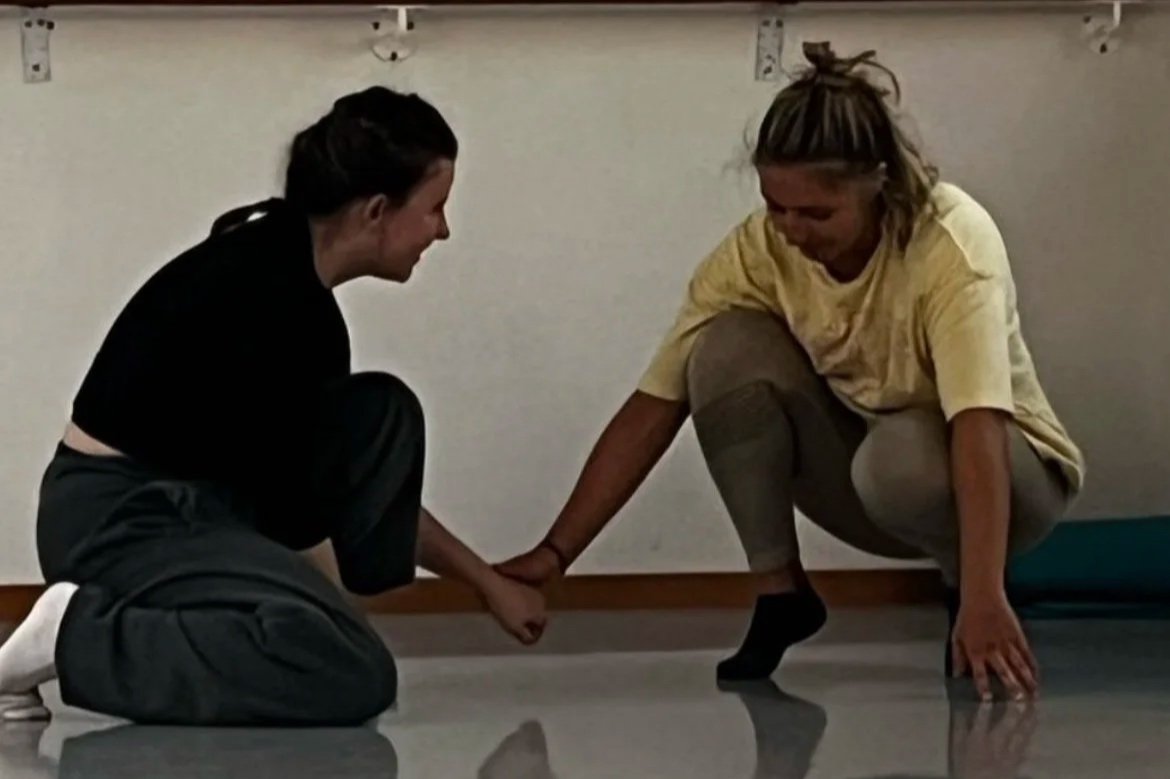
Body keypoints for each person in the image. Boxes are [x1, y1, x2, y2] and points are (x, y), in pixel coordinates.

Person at [498, 42, 1085, 702]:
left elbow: (978, 419)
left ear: (878, 185)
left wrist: (983, 594)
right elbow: (653, 404)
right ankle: (782, 594)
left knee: (899, 458)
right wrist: (556, 554)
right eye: (777, 207)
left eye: (817, 213)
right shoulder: (759, 250)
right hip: (876, 478)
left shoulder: (949, 240)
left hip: (1010, 481)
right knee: (721, 350)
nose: (792, 230)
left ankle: (963, 583)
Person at [0, 86, 547, 726]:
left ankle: (103, 629)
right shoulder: (280, 310)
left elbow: (305, 483)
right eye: (434, 209)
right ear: (376, 210)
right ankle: (70, 638)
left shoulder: (275, 255)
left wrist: (486, 583)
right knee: (354, 672)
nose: (442, 230)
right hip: (120, 520)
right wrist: (331, 626)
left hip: (180, 505)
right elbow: (300, 522)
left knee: (377, 412)